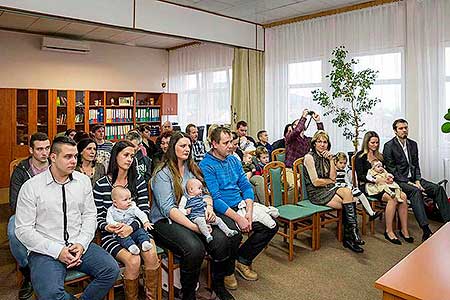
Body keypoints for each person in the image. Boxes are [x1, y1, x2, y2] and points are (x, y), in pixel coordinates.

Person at [15, 136, 119, 300]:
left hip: (78, 244)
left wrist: (82, 243)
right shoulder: (31, 187)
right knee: (50, 293)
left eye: (75, 156)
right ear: (53, 157)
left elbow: (90, 215)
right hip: (45, 250)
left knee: (111, 270)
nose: (73, 161)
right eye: (67, 156)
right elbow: (23, 230)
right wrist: (57, 251)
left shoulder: (83, 181)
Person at [151, 131, 241, 300]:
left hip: (196, 214)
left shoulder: (192, 168)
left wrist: (208, 207)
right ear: (172, 148)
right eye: (182, 146)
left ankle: (217, 284)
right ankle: (188, 293)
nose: (187, 149)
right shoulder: (162, 173)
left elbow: (205, 192)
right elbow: (168, 209)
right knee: (194, 249)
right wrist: (194, 227)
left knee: (222, 240)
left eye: (189, 146)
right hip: (166, 220)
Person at [200, 127, 278, 284]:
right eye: (226, 143)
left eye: (231, 142)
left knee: (271, 226)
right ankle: (228, 272)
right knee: (234, 234)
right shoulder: (206, 165)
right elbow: (215, 198)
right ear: (214, 144)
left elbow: (246, 186)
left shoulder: (234, 159)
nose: (231, 146)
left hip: (241, 205)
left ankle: (242, 260)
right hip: (221, 209)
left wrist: (248, 212)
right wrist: (238, 218)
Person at [94, 140, 160, 300]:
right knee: (133, 260)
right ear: (115, 156)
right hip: (112, 235)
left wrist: (131, 227)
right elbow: (97, 217)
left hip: (137, 229)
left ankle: (151, 297)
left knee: (150, 254)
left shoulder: (138, 180)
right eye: (125, 155)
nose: (130, 159)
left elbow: (145, 209)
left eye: (132, 155)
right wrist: (108, 227)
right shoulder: (100, 184)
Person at [383, 119, 450, 241]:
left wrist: (418, 180)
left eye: (405, 128)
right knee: (415, 191)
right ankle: (425, 229)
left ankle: (448, 223)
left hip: (414, 179)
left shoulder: (413, 144)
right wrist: (410, 183)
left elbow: (416, 165)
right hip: (400, 181)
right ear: (395, 131)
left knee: (438, 189)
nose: (404, 130)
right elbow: (392, 170)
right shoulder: (389, 146)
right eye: (401, 128)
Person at [303, 130, 364, 253]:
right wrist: (329, 181)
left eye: (325, 142)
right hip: (316, 192)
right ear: (314, 143)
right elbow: (315, 182)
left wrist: (331, 160)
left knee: (347, 193)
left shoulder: (327, 157)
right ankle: (350, 237)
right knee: (349, 202)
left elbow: (333, 178)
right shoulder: (309, 157)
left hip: (328, 188)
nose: (322, 144)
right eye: (319, 141)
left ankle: (352, 234)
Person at [8, 132, 50, 300]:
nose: (44, 153)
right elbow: (14, 203)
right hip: (26, 214)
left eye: (47, 148)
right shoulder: (21, 170)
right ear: (31, 150)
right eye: (39, 149)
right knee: (13, 232)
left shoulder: (56, 166)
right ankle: (28, 271)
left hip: (53, 213)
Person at [355, 131, 412, 245]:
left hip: (383, 184)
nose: (375, 145)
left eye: (377, 142)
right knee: (392, 198)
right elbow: (360, 176)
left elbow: (386, 171)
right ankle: (389, 231)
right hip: (368, 186)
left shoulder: (380, 156)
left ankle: (404, 230)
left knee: (404, 196)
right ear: (367, 142)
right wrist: (376, 180)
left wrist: (388, 178)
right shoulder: (360, 156)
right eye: (372, 142)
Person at [179, 178, 238, 243]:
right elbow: (180, 208)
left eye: (201, 189)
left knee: (218, 220)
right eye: (199, 188)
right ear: (191, 190)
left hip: (205, 216)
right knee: (201, 222)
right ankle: (208, 235)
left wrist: (208, 209)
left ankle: (228, 231)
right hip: (195, 217)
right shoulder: (186, 198)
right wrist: (186, 211)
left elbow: (206, 202)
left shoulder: (201, 197)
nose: (201, 191)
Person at [334, 152, 381, 221]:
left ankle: (371, 213)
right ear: (336, 162)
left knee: (360, 193)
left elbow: (346, 180)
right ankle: (349, 220)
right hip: (338, 189)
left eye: (344, 163)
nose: (343, 165)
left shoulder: (344, 171)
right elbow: (333, 182)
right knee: (352, 197)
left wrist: (351, 187)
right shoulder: (334, 170)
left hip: (346, 187)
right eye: (340, 163)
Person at [107, 186, 153, 255]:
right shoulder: (111, 211)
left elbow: (141, 214)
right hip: (121, 232)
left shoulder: (132, 207)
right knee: (121, 238)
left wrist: (145, 222)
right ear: (115, 203)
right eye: (125, 200)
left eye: (129, 198)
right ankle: (131, 247)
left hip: (134, 230)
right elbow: (109, 220)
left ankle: (145, 243)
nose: (129, 201)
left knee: (141, 231)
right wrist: (116, 225)